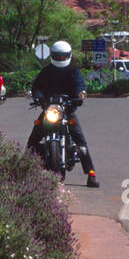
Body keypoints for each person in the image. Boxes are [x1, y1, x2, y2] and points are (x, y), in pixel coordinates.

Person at [26, 40, 99, 188]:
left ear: (68, 55)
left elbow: (79, 84)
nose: (60, 59)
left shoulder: (73, 71)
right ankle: (22, 170)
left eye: (62, 56)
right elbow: (37, 86)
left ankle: (91, 174)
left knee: (81, 141)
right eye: (57, 56)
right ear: (52, 56)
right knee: (33, 139)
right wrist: (37, 96)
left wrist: (80, 94)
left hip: (67, 109)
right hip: (49, 109)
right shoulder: (46, 71)